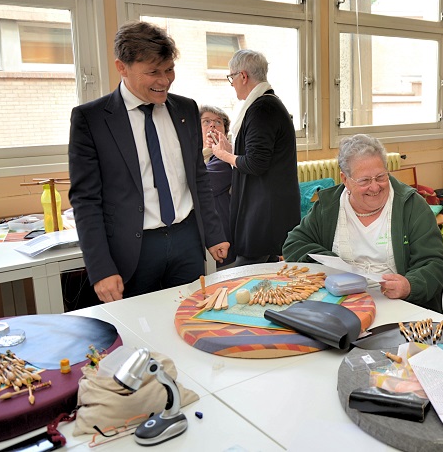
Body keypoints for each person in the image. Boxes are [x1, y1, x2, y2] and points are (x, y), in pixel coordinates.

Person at [69, 21, 229, 302]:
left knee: (191, 321)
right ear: (122, 67)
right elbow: (86, 200)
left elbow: (197, 176)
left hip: (186, 242)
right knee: (138, 333)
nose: (164, 80)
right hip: (134, 251)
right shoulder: (91, 120)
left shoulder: (186, 109)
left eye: (169, 70)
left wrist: (214, 233)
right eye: (153, 72)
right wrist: (101, 268)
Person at [282, 134, 443, 312]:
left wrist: (410, 285)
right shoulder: (329, 206)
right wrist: (331, 264)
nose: (375, 187)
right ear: (345, 179)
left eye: (380, 177)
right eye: (365, 181)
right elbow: (294, 244)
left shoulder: (411, 205)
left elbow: (435, 264)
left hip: (399, 308)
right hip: (340, 305)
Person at [211, 49, 300, 265]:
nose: (231, 84)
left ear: (243, 76)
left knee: (249, 270)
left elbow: (256, 163)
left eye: (231, 77)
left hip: (265, 210)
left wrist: (224, 155)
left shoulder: (263, 108)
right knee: (266, 271)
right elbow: (258, 153)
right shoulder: (266, 104)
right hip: (267, 204)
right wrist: (232, 152)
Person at [200, 105, 235, 268]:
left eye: (218, 122)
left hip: (221, 234)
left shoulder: (225, 160)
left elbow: (202, 183)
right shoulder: (195, 157)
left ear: (225, 134)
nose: (212, 125)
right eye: (206, 121)